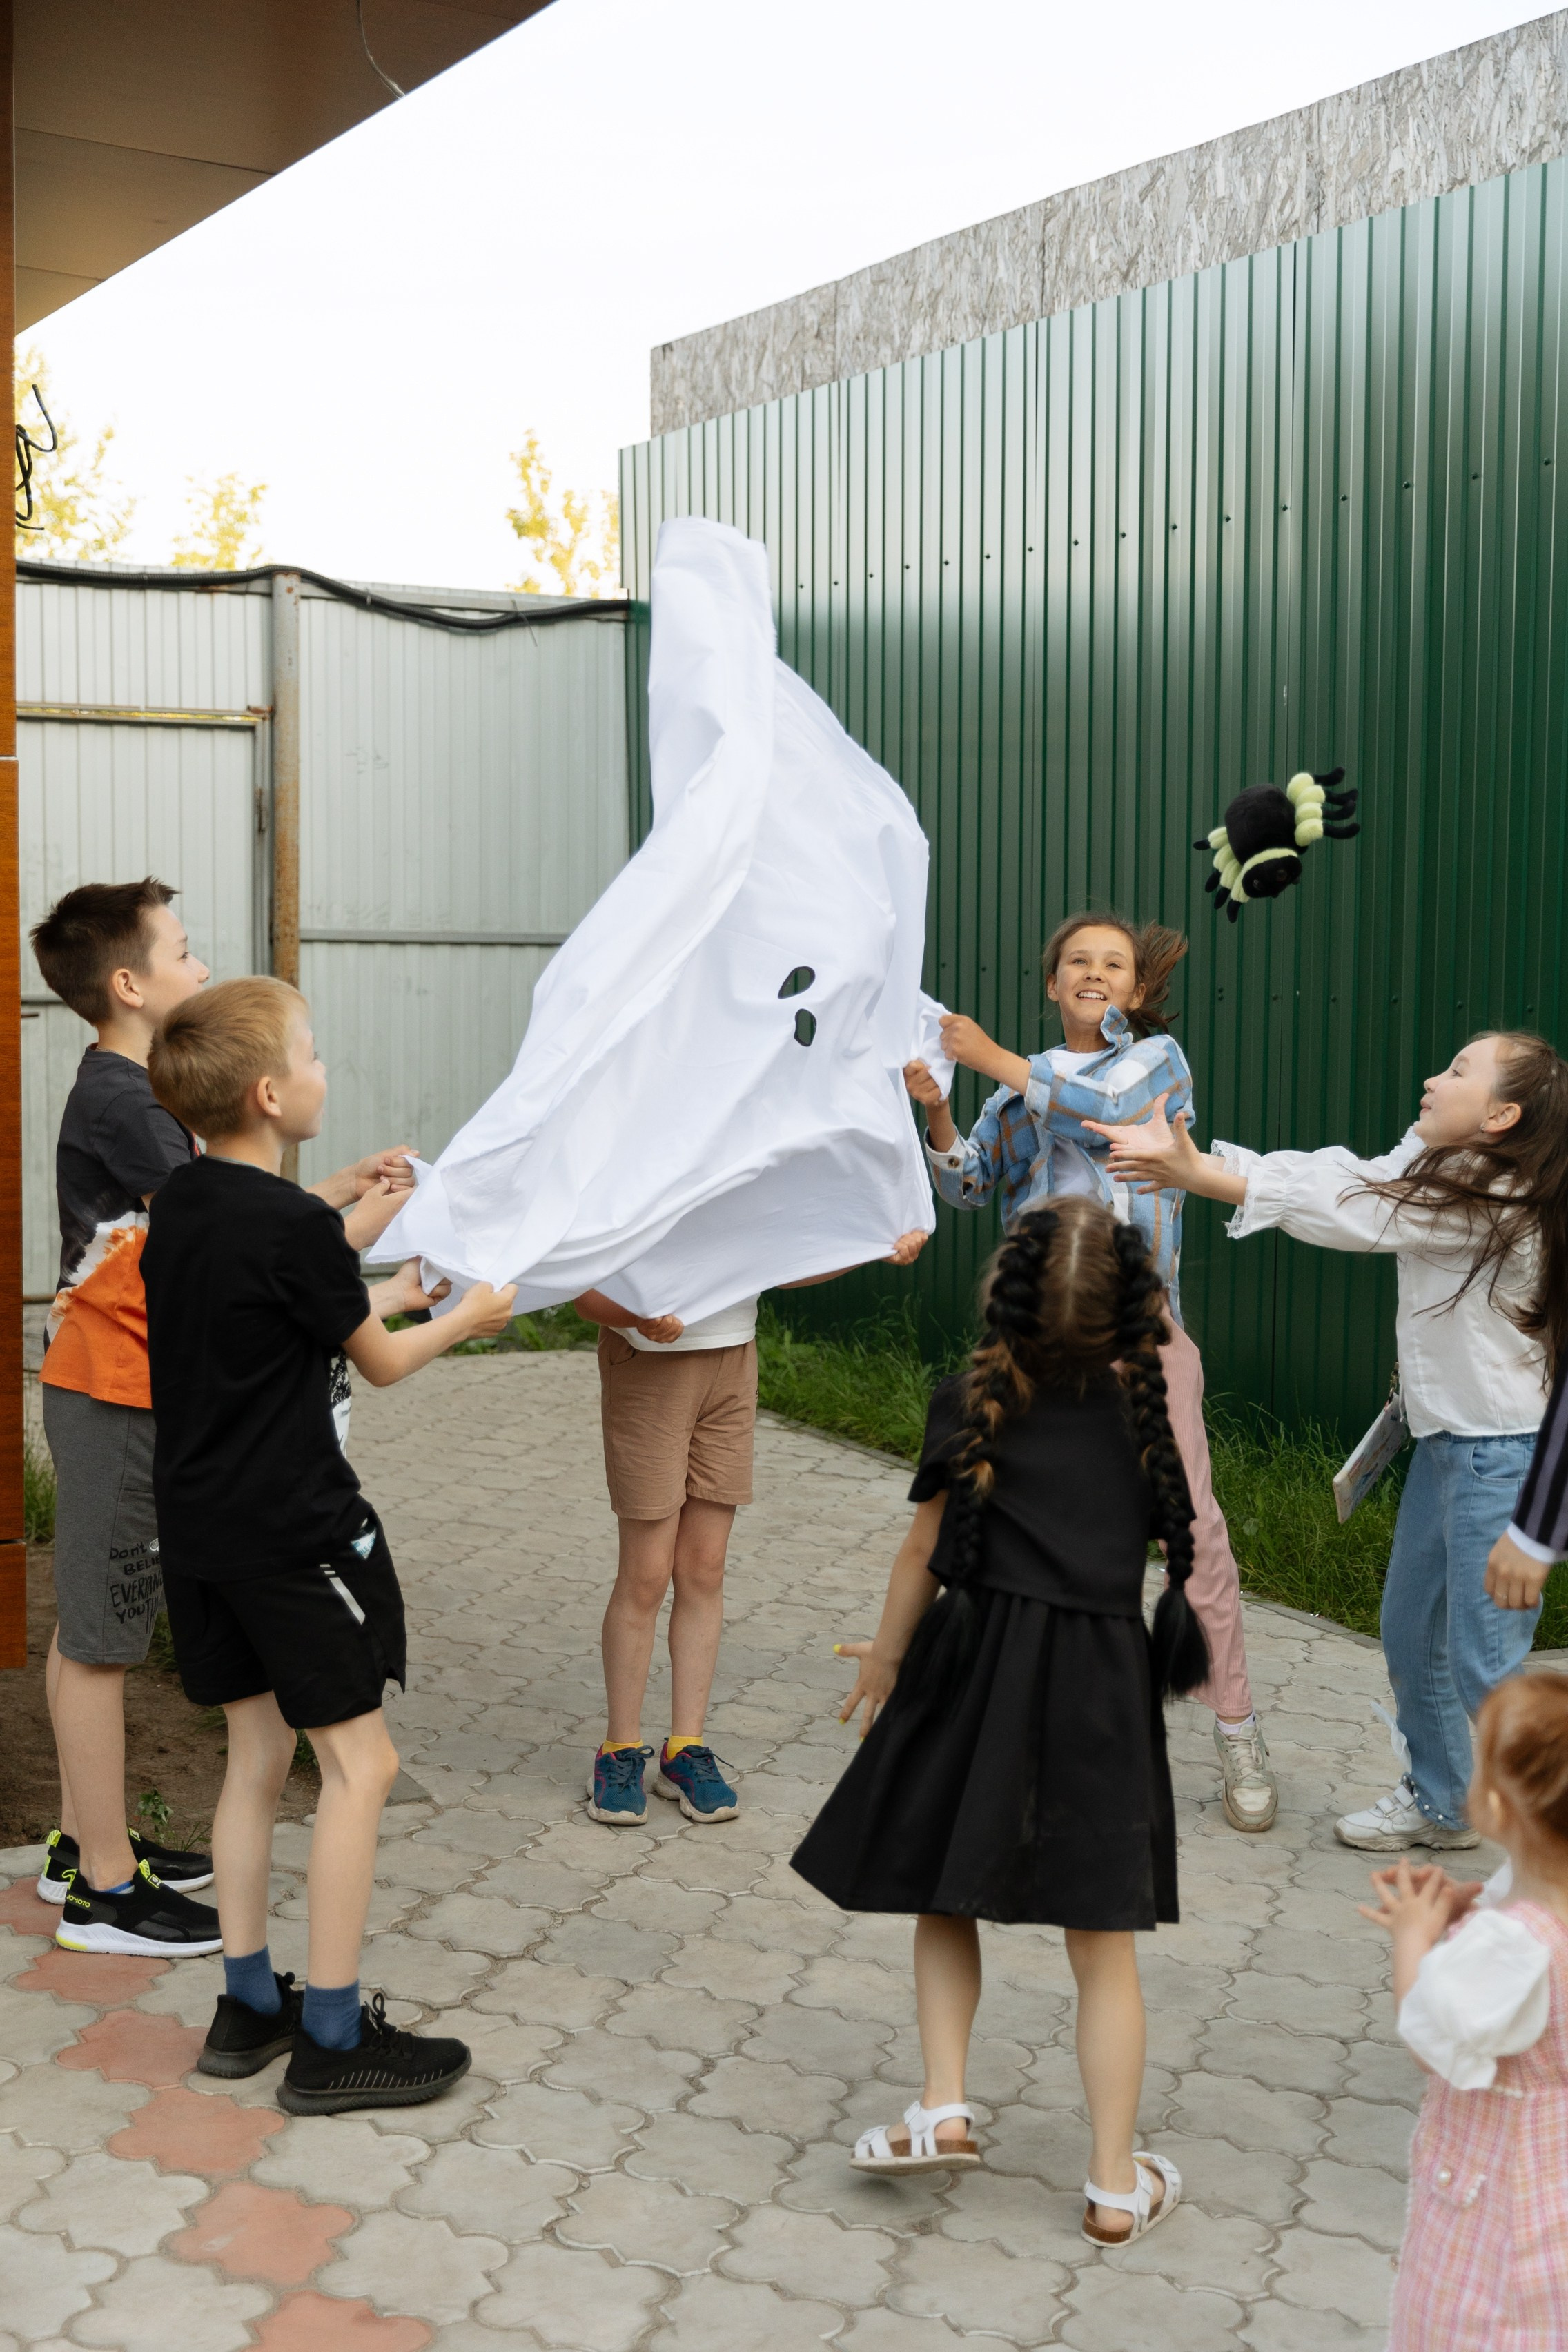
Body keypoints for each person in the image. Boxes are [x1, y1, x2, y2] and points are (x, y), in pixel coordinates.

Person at [792, 1199, 1207, 2241]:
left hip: (976, 1672)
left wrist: (887, 1659)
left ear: (1005, 1297)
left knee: (946, 1891)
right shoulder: (1149, 1420)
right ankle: (1116, 2183)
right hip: (1103, 1690)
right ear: (1138, 1316)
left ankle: (943, 2107)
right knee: (1103, 1946)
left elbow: (922, 1554)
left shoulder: (967, 1400)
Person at [139, 975, 516, 2111]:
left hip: (200, 1534)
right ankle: (338, 2036)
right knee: (363, 1765)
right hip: (293, 1538)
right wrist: (462, 1313)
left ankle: (248, 2003)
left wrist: (372, 1254)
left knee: (256, 1756)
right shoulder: (293, 1227)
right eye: (309, 1053)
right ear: (268, 1091)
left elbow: (292, 1281)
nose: (321, 1069)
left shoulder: (184, 1205)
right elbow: (382, 1359)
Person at [30, 879, 413, 1957]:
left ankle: (82, 1839)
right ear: (130, 984)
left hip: (120, 1380)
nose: (201, 971)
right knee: (103, 1636)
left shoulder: (137, 1095)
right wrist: (347, 1221)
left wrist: (332, 1188)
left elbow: (241, 1214)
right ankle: (105, 1884)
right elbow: (244, 1240)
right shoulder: (126, 1104)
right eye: (186, 953)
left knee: (89, 1625)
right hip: (111, 1386)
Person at [1090, 1030, 1568, 1852]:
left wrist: (1199, 1172)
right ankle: (1446, 1802)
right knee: (1409, 1635)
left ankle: (1547, 1849)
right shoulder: (1452, 1168)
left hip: (1501, 1459)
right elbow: (1368, 1174)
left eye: (1455, 1071)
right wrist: (1201, 1162)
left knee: (1484, 1665)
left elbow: (1359, 1208)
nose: (1430, 1076)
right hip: (1449, 1445)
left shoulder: (1488, 1197)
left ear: (1501, 1115)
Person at [905, 912, 1278, 1832]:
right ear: (1053, 982)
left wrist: (992, 1059)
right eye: (1078, 959)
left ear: (1137, 991)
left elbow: (1106, 1110)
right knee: (1018, 1525)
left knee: (1191, 1538)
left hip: (1141, 1339)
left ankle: (1237, 1728)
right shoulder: (1019, 1086)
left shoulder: (1158, 1066)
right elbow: (969, 1183)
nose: (1095, 971)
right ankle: (1006, 1718)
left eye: (1114, 962)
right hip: (1034, 1340)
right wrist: (942, 1112)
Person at [573, 1231, 929, 1828]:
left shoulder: (742, 1161)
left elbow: (782, 1259)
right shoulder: (634, 1156)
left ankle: (685, 1750)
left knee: (705, 1567)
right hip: (648, 1366)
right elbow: (582, 1292)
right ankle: (618, 1751)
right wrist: (636, 1316)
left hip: (733, 1361)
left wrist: (869, 1247)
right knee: (646, 1574)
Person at [1360, 1673, 1568, 2349]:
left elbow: (1432, 2032)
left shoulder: (1515, 1947)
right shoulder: (1527, 1901)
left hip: (1499, 2209)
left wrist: (1414, 1939)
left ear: (1499, 1810)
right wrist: (1469, 1914)